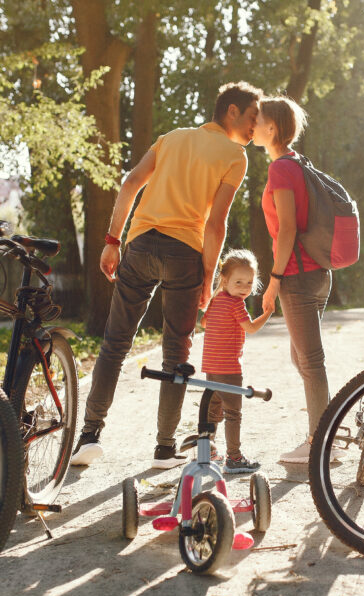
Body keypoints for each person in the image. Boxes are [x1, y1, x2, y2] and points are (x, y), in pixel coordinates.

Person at [72, 81, 262, 469]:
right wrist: (209, 278)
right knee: (176, 351)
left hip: (140, 246)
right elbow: (217, 224)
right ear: (231, 112)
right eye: (252, 118)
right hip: (184, 253)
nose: (254, 128)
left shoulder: (171, 138)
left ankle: (89, 436)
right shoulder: (234, 156)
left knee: (115, 343)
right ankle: (163, 448)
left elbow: (130, 183)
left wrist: (112, 241)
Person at [256, 96, 333, 464]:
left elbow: (286, 230)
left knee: (310, 361)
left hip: (298, 277)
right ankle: (325, 434)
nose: (252, 125)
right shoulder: (299, 163)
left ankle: (320, 443)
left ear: (272, 128)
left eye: (257, 120)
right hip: (318, 274)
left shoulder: (281, 169)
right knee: (301, 358)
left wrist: (273, 281)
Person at [201, 249, 274, 474]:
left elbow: (204, 323)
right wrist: (268, 313)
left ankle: (208, 450)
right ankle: (234, 457)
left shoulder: (216, 300)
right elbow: (250, 328)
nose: (244, 288)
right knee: (233, 413)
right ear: (224, 280)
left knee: (211, 410)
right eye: (239, 282)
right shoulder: (235, 304)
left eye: (249, 283)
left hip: (211, 366)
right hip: (229, 368)